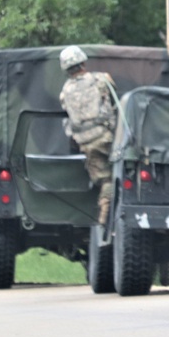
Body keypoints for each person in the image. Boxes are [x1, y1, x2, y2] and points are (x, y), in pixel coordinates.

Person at [58, 46, 117, 225]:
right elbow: (114, 100)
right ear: (83, 61)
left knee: (104, 178)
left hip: (85, 142)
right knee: (116, 177)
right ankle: (107, 213)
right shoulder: (100, 79)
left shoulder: (65, 91)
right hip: (107, 138)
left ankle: (104, 215)